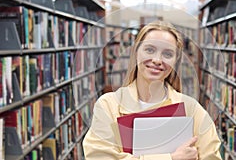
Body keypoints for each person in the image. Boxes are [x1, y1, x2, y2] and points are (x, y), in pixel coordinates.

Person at [82, 20, 222, 160]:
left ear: (175, 61)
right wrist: (171, 158)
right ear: (136, 52)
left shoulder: (192, 109)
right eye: (149, 50)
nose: (157, 60)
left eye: (167, 54)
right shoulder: (108, 105)